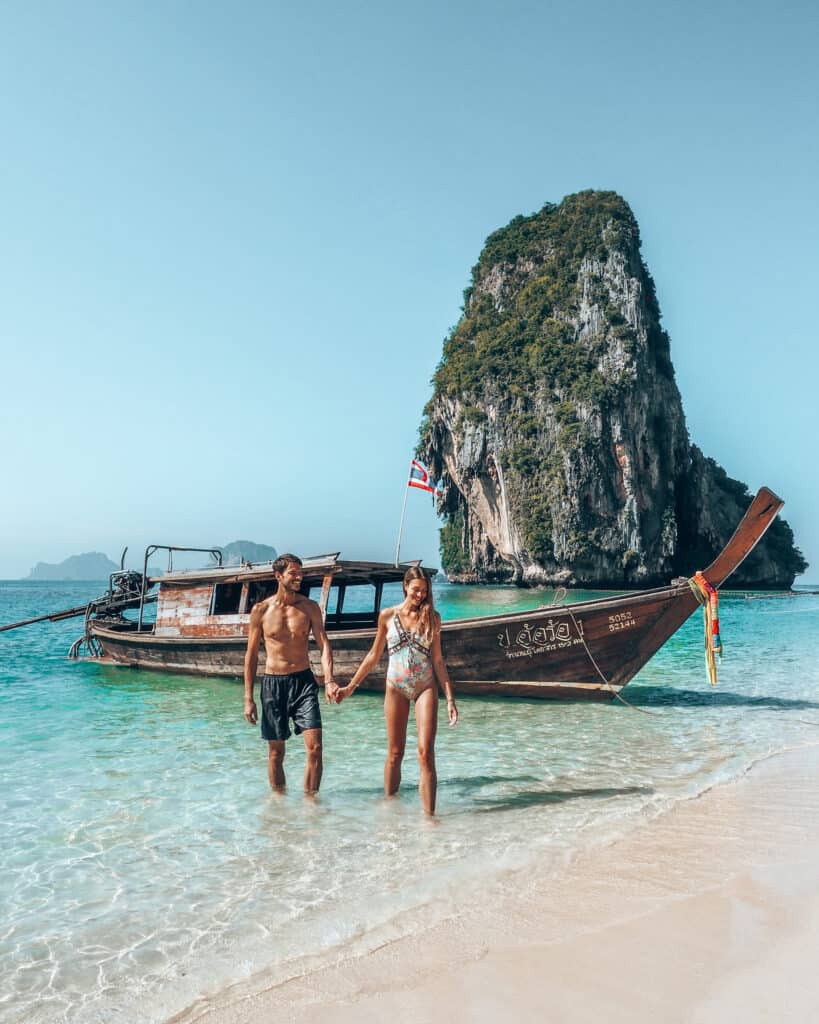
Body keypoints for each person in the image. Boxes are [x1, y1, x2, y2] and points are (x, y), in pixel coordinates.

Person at [335, 566, 458, 815]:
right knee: (394, 752)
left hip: (425, 686)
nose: (420, 595)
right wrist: (350, 687)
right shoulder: (387, 616)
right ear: (405, 586)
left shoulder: (433, 618)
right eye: (416, 590)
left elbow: (437, 661)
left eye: (424, 591)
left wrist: (450, 699)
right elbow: (373, 656)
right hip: (396, 687)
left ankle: (430, 819)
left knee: (425, 753)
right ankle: (390, 813)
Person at [243, 554, 339, 794]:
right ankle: (279, 804)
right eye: (293, 573)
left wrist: (328, 680)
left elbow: (324, 644)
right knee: (276, 753)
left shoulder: (309, 608)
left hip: (304, 682)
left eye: (300, 573)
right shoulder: (260, 611)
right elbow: (252, 655)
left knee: (315, 747)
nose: (299, 577)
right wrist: (248, 698)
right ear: (279, 576)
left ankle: (311, 804)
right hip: (273, 684)